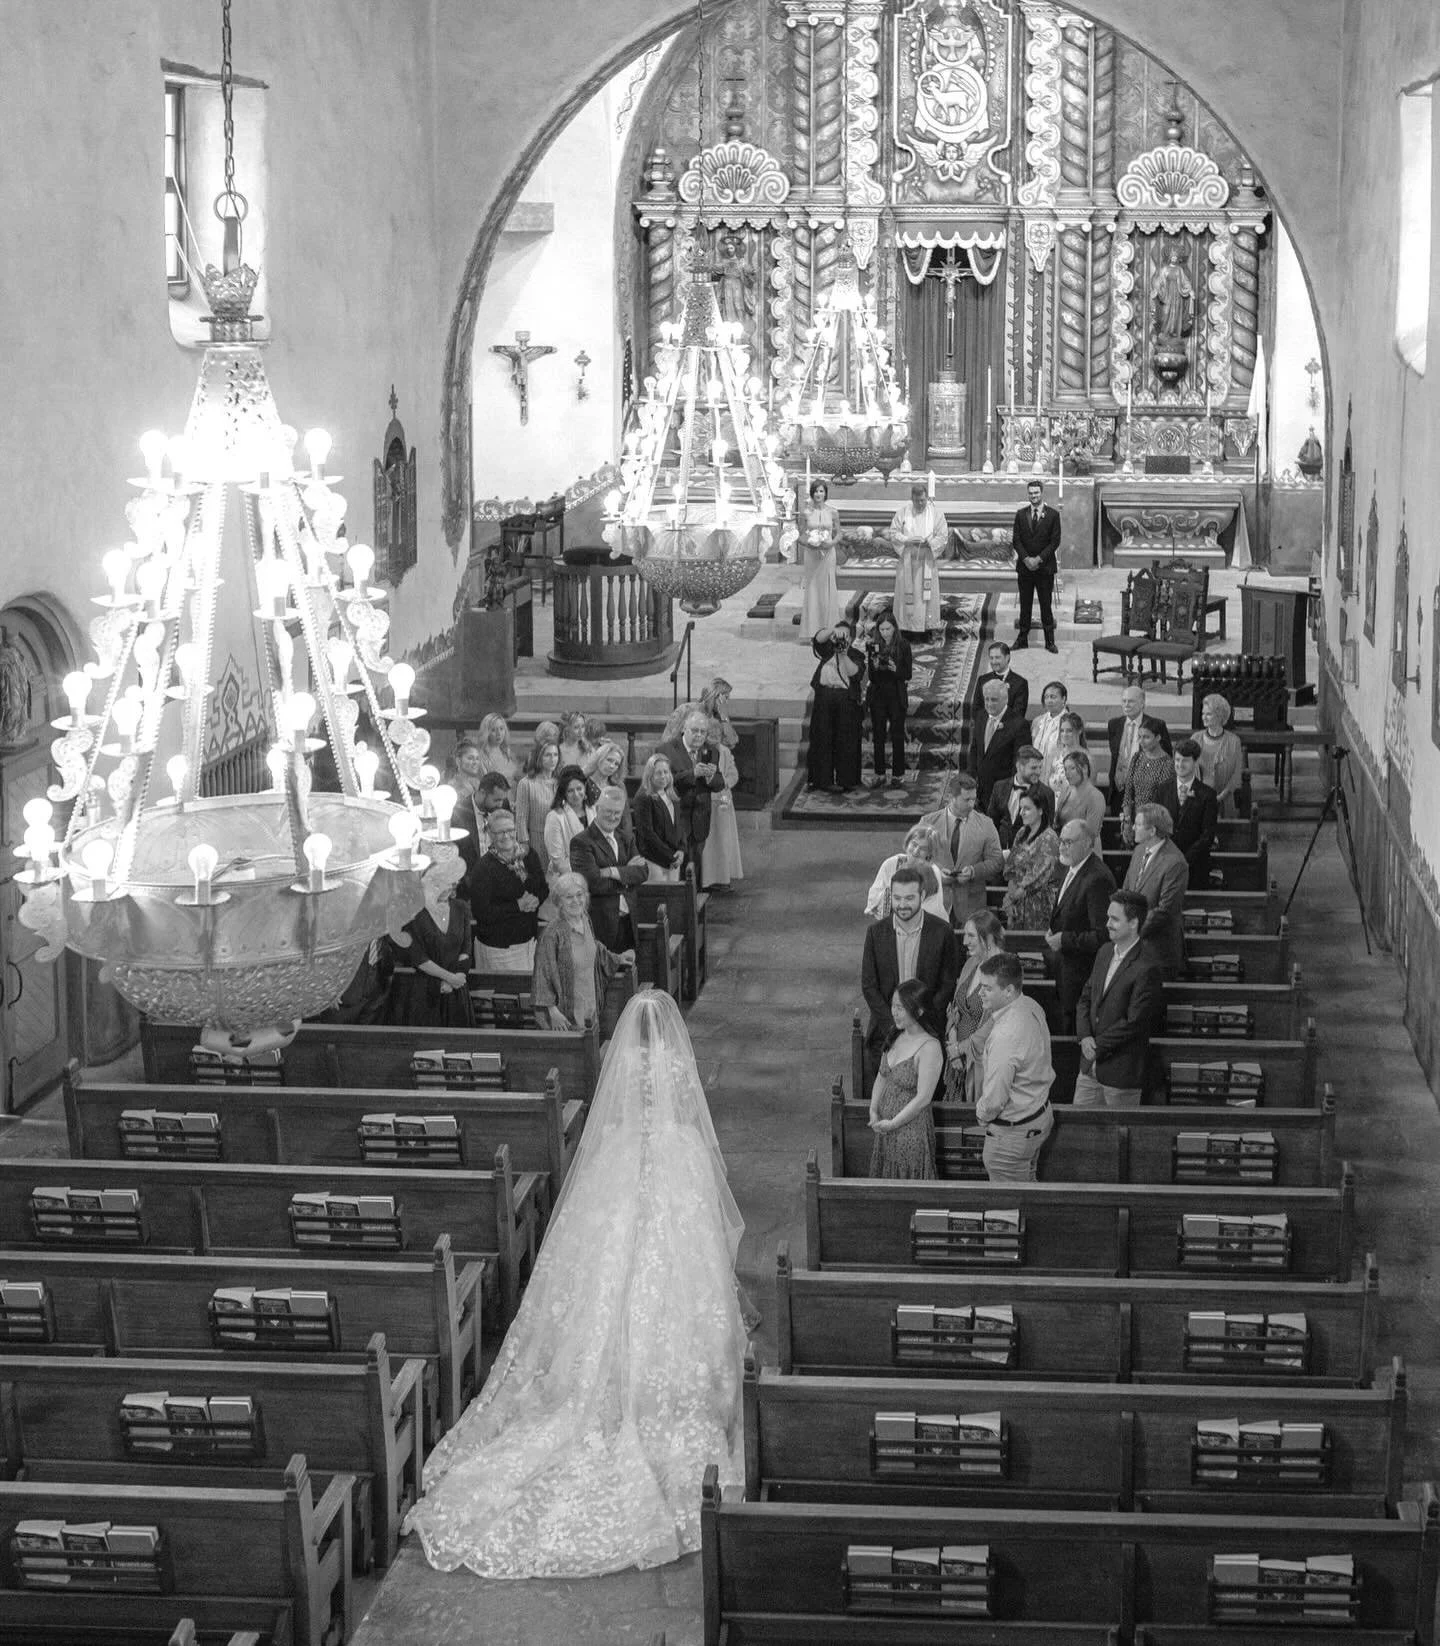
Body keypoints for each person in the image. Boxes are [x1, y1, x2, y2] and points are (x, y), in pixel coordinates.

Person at [403, 989, 746, 1578]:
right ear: (668, 1033)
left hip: (619, 1165)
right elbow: (688, 1114)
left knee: (603, 1274)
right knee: (678, 1271)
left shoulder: (619, 1056)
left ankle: (596, 1382)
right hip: (671, 1160)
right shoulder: (672, 1063)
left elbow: (610, 1117)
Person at [859, 866, 958, 1069]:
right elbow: (869, 986)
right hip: (885, 1033)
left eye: (909, 898)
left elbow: (947, 983)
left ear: (922, 895)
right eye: (897, 898)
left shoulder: (943, 932)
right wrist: (892, 1025)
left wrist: (921, 1021)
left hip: (928, 1031)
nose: (902, 905)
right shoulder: (876, 933)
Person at [1074, 890, 1164, 1109]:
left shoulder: (1148, 966)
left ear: (1133, 923)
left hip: (1120, 1073)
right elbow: (1085, 999)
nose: (1107, 924)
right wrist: (1085, 1036)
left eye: (1114, 919)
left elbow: (1134, 1021)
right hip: (1088, 1067)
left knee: (1117, 1138)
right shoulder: (1104, 952)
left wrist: (1097, 1046)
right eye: (1108, 917)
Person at [974, 951, 1055, 1181]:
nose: (980, 993)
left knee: (1006, 1210)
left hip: (1012, 1133)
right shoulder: (1030, 1004)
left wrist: (982, 1114)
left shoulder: (1006, 1034)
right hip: (1037, 1114)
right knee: (1027, 1190)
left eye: (987, 988)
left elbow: (995, 1099)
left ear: (1009, 990)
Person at [531, 872, 635, 1033]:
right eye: (569, 897)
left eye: (579, 895)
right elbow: (542, 974)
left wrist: (618, 958)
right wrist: (553, 1012)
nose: (576, 901)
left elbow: (594, 948)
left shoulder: (585, 919)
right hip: (565, 1016)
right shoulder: (552, 934)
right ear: (559, 902)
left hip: (590, 1007)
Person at [387, 852, 474, 1029]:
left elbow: (466, 949)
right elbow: (418, 957)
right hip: (425, 992)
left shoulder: (461, 908)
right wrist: (447, 978)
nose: (447, 888)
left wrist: (457, 978)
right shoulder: (412, 914)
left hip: (456, 989)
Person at [1044, 819, 1116, 1033]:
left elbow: (1103, 935)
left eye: (1068, 842)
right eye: (1061, 841)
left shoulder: (1097, 879)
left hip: (1081, 975)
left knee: (1074, 1033)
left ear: (1086, 844)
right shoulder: (1073, 866)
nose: (1062, 847)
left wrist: (1063, 939)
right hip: (1065, 970)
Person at [868, 978, 943, 1179]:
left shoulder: (930, 1047)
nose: (894, 1012)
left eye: (900, 1008)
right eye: (893, 1006)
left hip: (910, 1131)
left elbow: (923, 1098)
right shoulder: (896, 1034)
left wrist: (893, 1123)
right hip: (886, 1129)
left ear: (918, 1011)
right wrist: (873, 1110)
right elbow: (882, 1075)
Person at [570, 784, 649, 952]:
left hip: (629, 920)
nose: (613, 817)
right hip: (602, 925)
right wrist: (627, 876)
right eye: (608, 812)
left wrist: (613, 872)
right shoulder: (582, 842)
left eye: (617, 813)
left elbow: (643, 872)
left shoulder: (627, 838)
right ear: (598, 809)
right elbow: (592, 883)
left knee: (631, 974)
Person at [918, 771, 1004, 926]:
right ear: (952, 798)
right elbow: (915, 860)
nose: (972, 804)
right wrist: (936, 873)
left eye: (974, 799)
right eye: (966, 800)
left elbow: (997, 861)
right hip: (936, 903)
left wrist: (973, 871)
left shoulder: (986, 824)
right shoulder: (928, 822)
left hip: (971, 906)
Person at [468, 809, 547, 973]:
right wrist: (517, 906)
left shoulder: (529, 855)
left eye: (509, 830)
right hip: (499, 948)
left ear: (516, 830)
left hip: (529, 941)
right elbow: (481, 912)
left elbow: (542, 888)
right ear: (490, 834)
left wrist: (537, 899)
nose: (506, 836)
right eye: (499, 832)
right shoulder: (483, 868)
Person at [943, 909, 1006, 1103]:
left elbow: (995, 1022)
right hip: (957, 1061)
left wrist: (961, 1049)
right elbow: (954, 1007)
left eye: (970, 936)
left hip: (980, 1066)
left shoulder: (1004, 971)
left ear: (987, 937)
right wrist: (953, 1041)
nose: (964, 942)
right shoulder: (971, 963)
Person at [1123, 801, 1190, 979]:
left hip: (1158, 951)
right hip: (1132, 948)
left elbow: (1164, 910)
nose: (1133, 828)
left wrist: (1131, 932)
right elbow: (1127, 891)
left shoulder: (1175, 862)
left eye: (1138, 825)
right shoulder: (1139, 851)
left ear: (1152, 831)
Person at [656, 708, 727, 864]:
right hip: (676, 820)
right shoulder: (666, 750)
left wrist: (710, 777)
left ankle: (696, 890)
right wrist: (692, 774)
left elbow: (719, 782)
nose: (699, 735)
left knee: (694, 868)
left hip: (700, 821)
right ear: (684, 729)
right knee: (676, 872)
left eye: (703, 732)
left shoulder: (711, 751)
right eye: (695, 730)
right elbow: (663, 782)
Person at [805, 620, 866, 793]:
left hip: (845, 699)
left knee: (846, 739)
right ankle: (821, 780)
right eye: (838, 635)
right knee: (821, 737)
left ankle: (847, 779)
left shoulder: (856, 654)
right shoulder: (827, 649)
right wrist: (833, 631)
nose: (840, 638)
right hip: (824, 696)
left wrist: (844, 654)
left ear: (851, 638)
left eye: (845, 635)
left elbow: (855, 674)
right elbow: (818, 638)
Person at [887, 478, 948, 638]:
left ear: (927, 498)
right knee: (907, 594)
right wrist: (906, 540)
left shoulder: (936, 514)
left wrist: (930, 543)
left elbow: (943, 536)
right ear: (912, 499)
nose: (920, 504)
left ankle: (928, 628)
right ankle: (905, 628)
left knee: (925, 596)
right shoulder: (903, 512)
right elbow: (893, 533)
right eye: (916, 501)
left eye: (922, 501)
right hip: (908, 560)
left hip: (926, 560)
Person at [698, 680, 744, 889]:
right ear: (716, 696)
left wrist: (724, 716)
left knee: (723, 837)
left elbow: (733, 740)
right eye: (725, 696)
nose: (728, 701)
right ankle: (706, 878)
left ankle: (723, 875)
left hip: (723, 791)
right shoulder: (698, 716)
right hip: (704, 790)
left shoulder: (721, 720)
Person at [1001, 784, 1061, 929]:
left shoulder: (1049, 838)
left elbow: (1037, 878)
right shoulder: (1022, 832)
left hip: (1039, 905)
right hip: (1016, 901)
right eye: (1021, 808)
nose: (1021, 813)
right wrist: (1010, 900)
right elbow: (1012, 870)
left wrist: (1011, 898)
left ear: (1040, 810)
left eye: (1027, 809)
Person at [1010, 479, 1061, 652]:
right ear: (1028, 494)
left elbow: (1055, 542)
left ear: (1042, 493)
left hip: (1044, 568)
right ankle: (1022, 638)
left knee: (1046, 605)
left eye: (1036, 493)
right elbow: (1016, 540)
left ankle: (1050, 641)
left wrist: (1038, 559)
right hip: (1025, 568)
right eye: (1031, 493)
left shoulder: (1053, 515)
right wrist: (1026, 559)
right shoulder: (1020, 514)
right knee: (1025, 605)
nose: (1033, 496)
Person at [1106, 684, 1173, 814]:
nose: (1126, 705)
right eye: (1124, 701)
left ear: (1142, 703)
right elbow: (1115, 756)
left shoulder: (1156, 724)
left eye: (1131, 701)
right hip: (1118, 789)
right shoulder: (1114, 724)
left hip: (1146, 793)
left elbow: (1166, 756)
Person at [865, 610, 912, 791]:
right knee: (878, 735)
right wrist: (875, 667)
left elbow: (907, 674)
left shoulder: (903, 645)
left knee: (897, 735)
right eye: (882, 629)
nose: (885, 633)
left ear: (894, 628)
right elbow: (871, 676)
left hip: (896, 694)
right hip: (878, 695)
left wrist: (895, 668)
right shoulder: (873, 645)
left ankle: (898, 775)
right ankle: (879, 773)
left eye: (888, 629)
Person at [864, 825, 947, 921]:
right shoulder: (891, 863)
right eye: (914, 845)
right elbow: (873, 898)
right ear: (908, 843)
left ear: (930, 853)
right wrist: (893, 892)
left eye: (923, 849)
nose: (916, 851)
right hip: (893, 924)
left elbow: (933, 907)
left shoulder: (933, 870)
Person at [970, 677, 1029, 804]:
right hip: (980, 789)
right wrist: (970, 780)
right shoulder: (981, 716)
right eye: (987, 699)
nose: (989, 704)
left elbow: (1019, 763)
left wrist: (1010, 791)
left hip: (1003, 793)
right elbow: (975, 749)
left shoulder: (1019, 725)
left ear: (1005, 700)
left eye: (994, 700)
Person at [796, 478, 841, 640]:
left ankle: (829, 628)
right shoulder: (806, 513)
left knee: (828, 587)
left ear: (825, 494)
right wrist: (809, 543)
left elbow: (839, 534)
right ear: (812, 493)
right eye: (816, 491)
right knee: (813, 588)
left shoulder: (833, 512)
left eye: (821, 491)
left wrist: (831, 543)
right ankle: (811, 630)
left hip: (828, 555)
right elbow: (799, 535)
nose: (818, 494)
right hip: (812, 554)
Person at [1121, 720, 1180, 840]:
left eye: (1146, 737)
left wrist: (1146, 822)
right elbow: (1128, 792)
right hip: (1134, 820)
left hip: (1154, 823)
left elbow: (1162, 800)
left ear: (1158, 737)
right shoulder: (1137, 757)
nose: (1141, 741)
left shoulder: (1167, 764)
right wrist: (1127, 821)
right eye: (1139, 737)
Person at [632, 753, 686, 881]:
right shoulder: (643, 798)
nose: (663, 776)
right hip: (654, 861)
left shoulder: (672, 794)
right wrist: (670, 856)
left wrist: (681, 850)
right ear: (650, 775)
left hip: (674, 859)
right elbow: (648, 834)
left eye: (666, 772)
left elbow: (680, 825)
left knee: (674, 898)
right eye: (658, 773)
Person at [1174, 737, 1220, 884]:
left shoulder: (1208, 794)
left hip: (1196, 864)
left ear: (1195, 762)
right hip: (1168, 863)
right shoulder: (1163, 790)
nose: (1180, 765)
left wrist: (1185, 860)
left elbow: (1207, 835)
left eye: (1185, 761)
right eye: (1177, 760)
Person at [986, 742, 1044, 849]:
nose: (1038, 772)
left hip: (1027, 853)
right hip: (999, 851)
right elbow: (991, 822)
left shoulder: (1045, 793)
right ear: (1019, 766)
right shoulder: (999, 787)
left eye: (1040, 768)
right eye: (1034, 768)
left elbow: (1044, 832)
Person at [543, 764, 590, 893]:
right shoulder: (555, 817)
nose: (576, 794)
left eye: (579, 788)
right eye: (570, 791)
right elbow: (558, 861)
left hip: (594, 878)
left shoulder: (594, 811)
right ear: (563, 792)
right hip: (566, 880)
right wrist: (586, 876)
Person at [1197, 692, 1244, 816]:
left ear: (1219, 716)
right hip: (1198, 802)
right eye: (1203, 714)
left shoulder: (1234, 741)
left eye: (1208, 714)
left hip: (1225, 801)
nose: (1204, 717)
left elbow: (1236, 775)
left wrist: (1219, 798)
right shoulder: (1195, 739)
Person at [514, 736, 560, 854]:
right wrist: (524, 844)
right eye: (548, 755)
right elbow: (521, 818)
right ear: (539, 758)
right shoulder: (526, 783)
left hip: (559, 839)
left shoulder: (560, 782)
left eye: (555, 755)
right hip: (536, 840)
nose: (552, 759)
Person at [971, 641, 1030, 722]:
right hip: (985, 728)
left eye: (997, 657)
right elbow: (976, 710)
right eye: (991, 658)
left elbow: (1018, 714)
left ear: (1007, 657)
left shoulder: (1020, 683)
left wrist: (999, 725)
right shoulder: (982, 680)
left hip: (1008, 731)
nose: (994, 662)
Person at [1055, 749, 1107, 837]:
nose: (1067, 774)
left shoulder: (1096, 797)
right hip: (1064, 844)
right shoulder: (1066, 791)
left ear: (1085, 768)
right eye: (1065, 769)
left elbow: (1091, 834)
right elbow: (1057, 822)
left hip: (1086, 848)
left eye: (1072, 768)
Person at [1029, 679, 1069, 781]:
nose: (1049, 700)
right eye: (1046, 697)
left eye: (1053, 697)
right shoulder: (1038, 721)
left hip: (1059, 776)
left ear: (1063, 699)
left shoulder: (1069, 722)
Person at [473, 712, 517, 784]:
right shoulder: (482, 757)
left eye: (501, 729)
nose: (499, 733)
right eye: (493, 730)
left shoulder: (507, 752)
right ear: (487, 733)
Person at [444, 733, 485, 805]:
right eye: (470, 758)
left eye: (477, 759)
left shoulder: (478, 783)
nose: (475, 762)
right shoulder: (452, 787)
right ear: (458, 761)